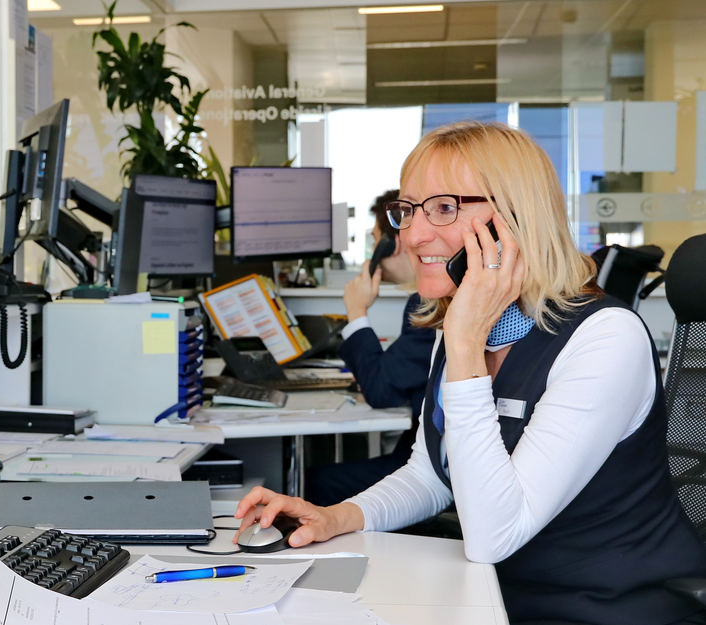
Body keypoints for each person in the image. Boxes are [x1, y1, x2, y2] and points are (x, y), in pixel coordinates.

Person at [234, 121, 706, 624]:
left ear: (514, 218)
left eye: (444, 207)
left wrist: (463, 344)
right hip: (492, 596)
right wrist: (337, 516)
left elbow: (494, 535)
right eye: (408, 209)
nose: (413, 235)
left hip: (602, 609)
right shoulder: (461, 324)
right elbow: (431, 475)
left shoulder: (605, 338)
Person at [305, 190, 435, 507]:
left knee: (315, 482)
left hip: (430, 471)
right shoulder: (420, 301)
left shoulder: (430, 306)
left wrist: (357, 312)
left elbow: (380, 390)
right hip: (424, 455)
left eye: (377, 240)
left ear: (394, 242)